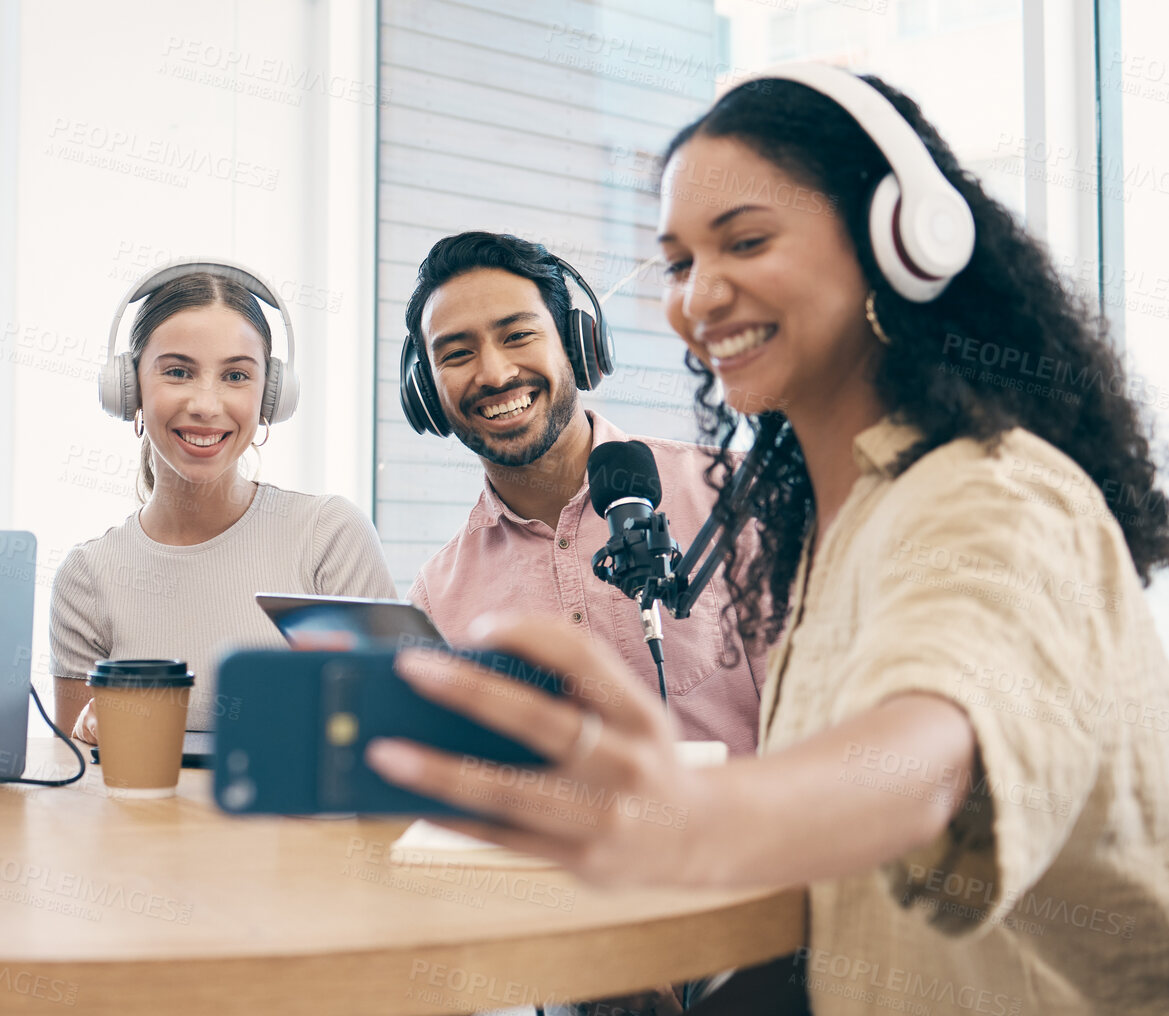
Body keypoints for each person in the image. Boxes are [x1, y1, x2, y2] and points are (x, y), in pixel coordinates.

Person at [367, 67, 1169, 1015]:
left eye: (744, 241)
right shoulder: (832, 519)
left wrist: (702, 819)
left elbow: (927, 752)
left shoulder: (985, 493)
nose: (700, 295)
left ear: (896, 241)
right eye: (677, 263)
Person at [402, 232, 768, 753]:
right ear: (427, 396)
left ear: (578, 346)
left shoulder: (732, 499)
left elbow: (816, 728)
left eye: (518, 336)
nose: (495, 373)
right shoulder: (437, 598)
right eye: (457, 354)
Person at [52, 264, 394, 742]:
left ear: (270, 397)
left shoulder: (329, 536)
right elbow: (74, 781)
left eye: (236, 375)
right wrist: (88, 731)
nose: (206, 405)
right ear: (129, 388)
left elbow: (383, 742)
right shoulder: (87, 576)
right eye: (177, 372)